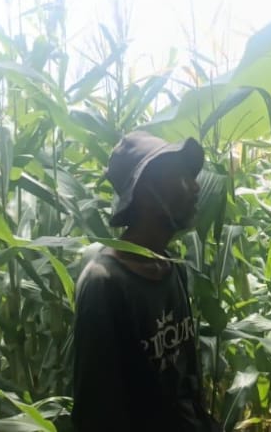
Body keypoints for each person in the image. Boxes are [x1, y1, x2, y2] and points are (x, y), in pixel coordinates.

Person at [70, 130, 217, 431]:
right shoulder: (104, 285)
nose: (196, 186)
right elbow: (97, 412)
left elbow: (186, 382)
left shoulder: (171, 267)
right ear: (147, 191)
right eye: (182, 177)